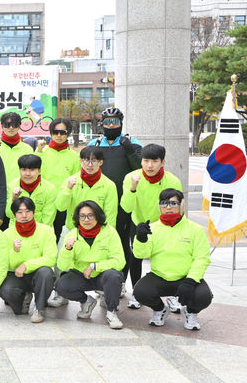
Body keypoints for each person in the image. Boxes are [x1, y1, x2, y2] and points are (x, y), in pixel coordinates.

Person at [133, 189, 212, 330]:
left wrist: (191, 281)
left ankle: (191, 312)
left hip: (185, 278)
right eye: (164, 203)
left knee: (204, 296)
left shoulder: (195, 230)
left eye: (173, 203)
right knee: (140, 292)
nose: (168, 207)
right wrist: (141, 239)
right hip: (160, 276)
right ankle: (160, 309)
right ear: (159, 206)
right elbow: (141, 254)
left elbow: (202, 258)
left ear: (181, 205)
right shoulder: (152, 228)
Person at [88, 107, 143, 299]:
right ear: (102, 123)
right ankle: (105, 280)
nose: (111, 125)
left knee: (125, 244)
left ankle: (125, 283)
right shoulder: (94, 143)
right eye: (107, 122)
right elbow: (87, 168)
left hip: (126, 202)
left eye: (115, 122)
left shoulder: (132, 143)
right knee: (103, 243)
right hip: (100, 202)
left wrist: (128, 148)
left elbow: (140, 168)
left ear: (121, 123)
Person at [120, 143, 182, 309]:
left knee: (168, 257)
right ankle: (136, 293)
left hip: (164, 223)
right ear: (141, 162)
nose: (149, 165)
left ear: (163, 162)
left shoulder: (173, 180)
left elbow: (177, 208)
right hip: (139, 222)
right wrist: (133, 188)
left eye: (154, 161)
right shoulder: (131, 177)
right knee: (136, 257)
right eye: (146, 160)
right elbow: (126, 207)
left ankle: (171, 295)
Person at [54, 201, 125, 329]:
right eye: (82, 216)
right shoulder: (72, 234)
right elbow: (62, 266)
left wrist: (94, 266)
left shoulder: (110, 232)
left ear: (98, 216)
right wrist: (67, 248)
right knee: (61, 285)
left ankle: (111, 312)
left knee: (114, 275)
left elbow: (120, 261)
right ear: (78, 218)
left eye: (91, 215)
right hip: (81, 275)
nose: (86, 220)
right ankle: (86, 301)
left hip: (102, 275)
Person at [0, 197, 57, 323]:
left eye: (28, 211)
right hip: (17, 275)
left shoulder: (46, 231)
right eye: (19, 212)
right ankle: (23, 299)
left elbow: (51, 258)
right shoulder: (7, 234)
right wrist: (15, 251)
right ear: (14, 215)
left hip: (37, 275)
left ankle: (40, 308)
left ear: (34, 213)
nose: (24, 215)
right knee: (3, 287)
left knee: (46, 273)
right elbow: (7, 264)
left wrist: (26, 265)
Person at [37, 118, 80, 240]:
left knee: (61, 236)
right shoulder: (42, 152)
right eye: (56, 132)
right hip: (44, 201)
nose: (59, 135)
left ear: (68, 133)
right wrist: (38, 151)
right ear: (50, 133)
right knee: (42, 235)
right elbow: (32, 173)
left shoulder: (74, 156)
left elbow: (76, 181)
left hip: (64, 202)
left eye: (63, 132)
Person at [0, 112, 34, 224]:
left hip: (19, 195)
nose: (10, 128)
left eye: (14, 124)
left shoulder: (27, 149)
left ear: (19, 126)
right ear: (2, 126)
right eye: (7, 124)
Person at [5, 154, 57, 227]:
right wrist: (13, 199)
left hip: (41, 232)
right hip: (16, 231)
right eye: (24, 169)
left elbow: (48, 218)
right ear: (19, 170)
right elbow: (9, 214)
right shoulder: (11, 186)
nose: (27, 174)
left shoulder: (50, 189)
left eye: (32, 170)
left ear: (39, 171)